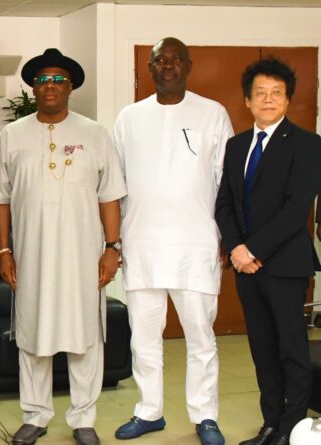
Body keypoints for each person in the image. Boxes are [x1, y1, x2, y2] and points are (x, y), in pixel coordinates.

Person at [0, 48, 126, 445]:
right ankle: (36, 415)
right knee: (33, 337)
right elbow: (0, 199)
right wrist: (3, 252)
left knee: (85, 337)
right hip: (31, 257)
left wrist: (112, 248)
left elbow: (110, 197)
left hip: (83, 256)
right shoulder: (11, 135)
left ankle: (84, 418)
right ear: (33, 87)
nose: (49, 86)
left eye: (58, 80)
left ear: (70, 87)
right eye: (43, 79)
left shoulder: (95, 133)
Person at [112, 37, 233, 445]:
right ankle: (149, 412)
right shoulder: (129, 117)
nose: (167, 66)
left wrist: (227, 236)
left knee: (201, 336)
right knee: (143, 336)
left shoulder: (212, 113)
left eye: (175, 60)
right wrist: (115, 242)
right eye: (159, 60)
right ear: (149, 68)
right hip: (141, 243)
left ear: (189, 65)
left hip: (197, 244)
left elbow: (226, 181)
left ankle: (205, 416)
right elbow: (115, 184)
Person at [216, 57, 321, 445]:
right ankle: (271, 424)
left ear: (288, 98)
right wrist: (237, 249)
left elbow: (296, 209)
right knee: (262, 350)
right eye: (260, 93)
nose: (268, 99)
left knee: (292, 350)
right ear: (247, 100)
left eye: (277, 93)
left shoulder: (309, 145)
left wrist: (252, 249)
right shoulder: (237, 145)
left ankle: (293, 429)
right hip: (247, 268)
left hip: (285, 265)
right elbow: (224, 204)